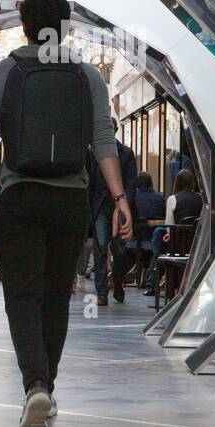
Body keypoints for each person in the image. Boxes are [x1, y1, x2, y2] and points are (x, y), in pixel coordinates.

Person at [0, 0, 132, 427]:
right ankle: (47, 389)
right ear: (67, 25)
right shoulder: (87, 76)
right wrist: (119, 200)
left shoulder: (8, 70)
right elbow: (103, 141)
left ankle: (35, 384)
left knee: (22, 294)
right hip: (70, 200)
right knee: (56, 296)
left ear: (24, 25)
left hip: (19, 197)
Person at [86, 118, 137, 306]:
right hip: (100, 207)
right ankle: (101, 292)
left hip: (119, 209)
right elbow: (89, 182)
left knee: (120, 251)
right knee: (100, 249)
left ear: (115, 130)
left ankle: (117, 281)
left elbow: (132, 182)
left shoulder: (126, 153)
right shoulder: (92, 155)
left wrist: (125, 203)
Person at [143, 168, 203, 295]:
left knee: (159, 236)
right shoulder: (201, 199)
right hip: (195, 243)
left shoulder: (172, 199)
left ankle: (152, 282)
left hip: (177, 244)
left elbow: (169, 223)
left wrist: (169, 235)